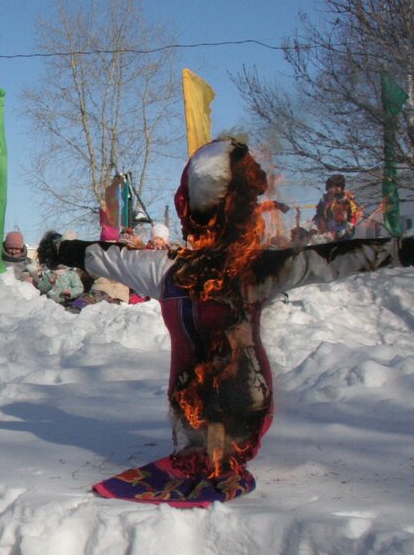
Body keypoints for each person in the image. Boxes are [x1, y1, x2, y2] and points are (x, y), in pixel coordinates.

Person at [37, 137, 414, 506]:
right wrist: (399, 251)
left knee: (211, 445)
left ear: (187, 208)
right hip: (223, 402)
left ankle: (215, 462)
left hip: (221, 404)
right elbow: (331, 259)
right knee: (207, 442)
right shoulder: (245, 267)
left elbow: (102, 256)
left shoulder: (169, 269)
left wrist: (58, 249)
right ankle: (212, 461)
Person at [313, 173, 361, 239]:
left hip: (343, 228)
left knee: (341, 235)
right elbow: (318, 215)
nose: (334, 189)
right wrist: (316, 227)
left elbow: (352, 215)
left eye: (337, 186)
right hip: (327, 229)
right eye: (331, 187)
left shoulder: (347, 198)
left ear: (341, 187)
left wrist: (349, 227)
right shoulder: (323, 200)